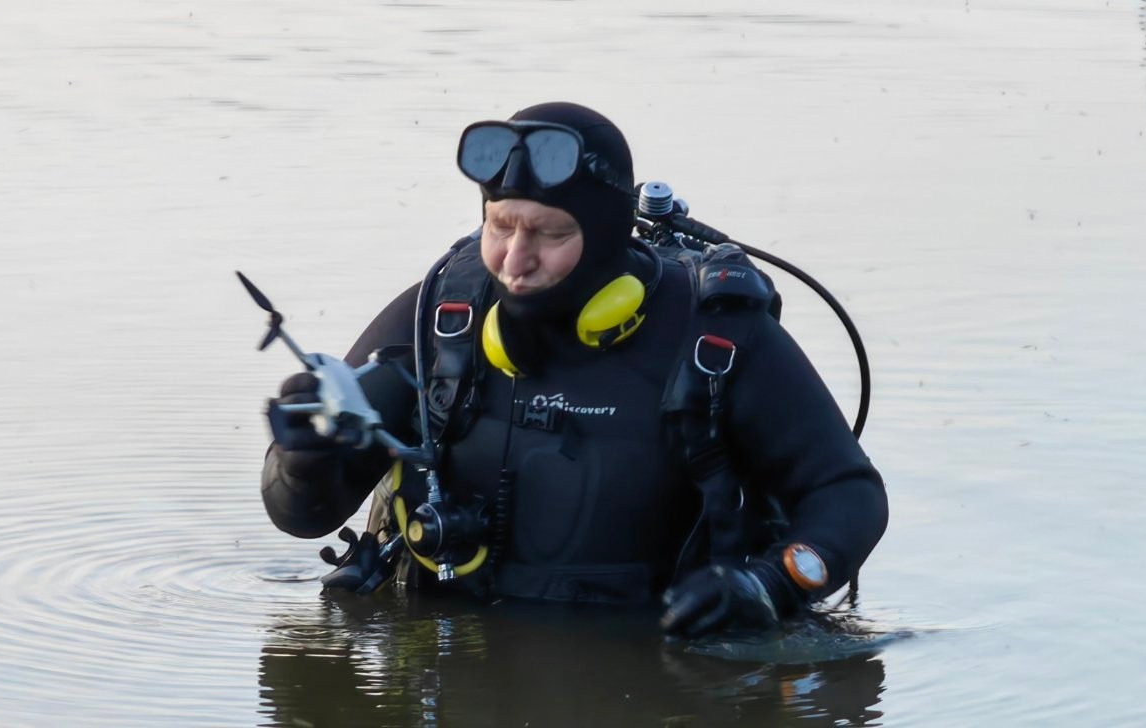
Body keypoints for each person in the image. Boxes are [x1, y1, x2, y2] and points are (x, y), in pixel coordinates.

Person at [260, 102, 887, 638]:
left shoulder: (715, 339)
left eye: (549, 234)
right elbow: (302, 518)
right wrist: (306, 456)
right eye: (500, 225)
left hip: (656, 665)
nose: (515, 259)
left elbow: (849, 495)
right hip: (448, 667)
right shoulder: (442, 318)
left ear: (608, 235)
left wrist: (769, 585)